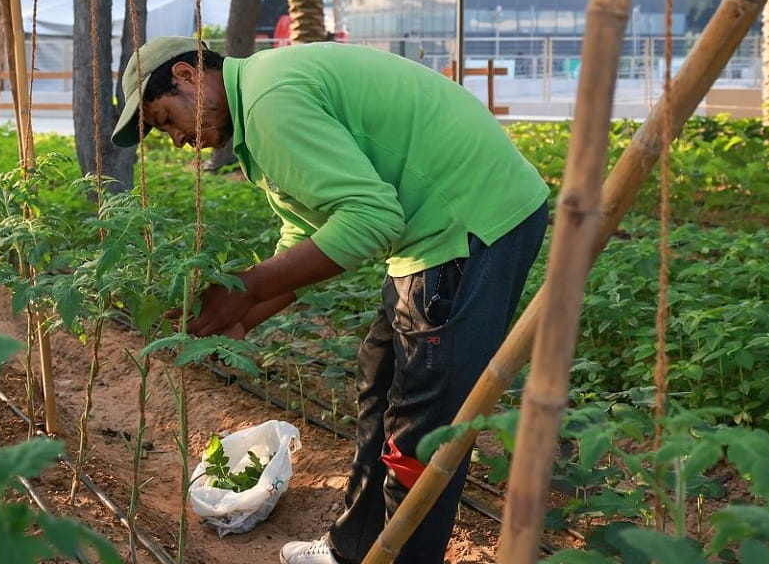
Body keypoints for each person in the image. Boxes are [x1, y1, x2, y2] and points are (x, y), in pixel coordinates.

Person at [112, 37, 550, 564]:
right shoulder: (260, 102)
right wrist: (243, 314)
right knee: (380, 381)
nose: (178, 140)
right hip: (433, 228)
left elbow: (371, 219)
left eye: (165, 120)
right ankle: (356, 548)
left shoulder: (270, 101)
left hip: (469, 222)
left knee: (425, 425)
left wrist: (245, 289)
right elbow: (305, 230)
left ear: (186, 74)